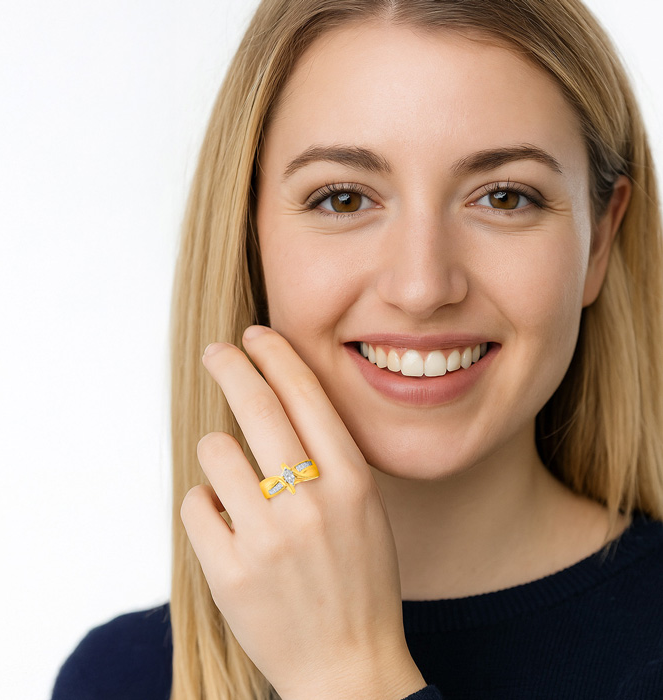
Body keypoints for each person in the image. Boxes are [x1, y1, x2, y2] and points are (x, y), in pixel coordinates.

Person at [52, 0, 663, 698]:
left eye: (504, 197)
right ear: (248, 240)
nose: (421, 287)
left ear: (599, 241)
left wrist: (347, 674)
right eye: (343, 199)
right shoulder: (118, 679)